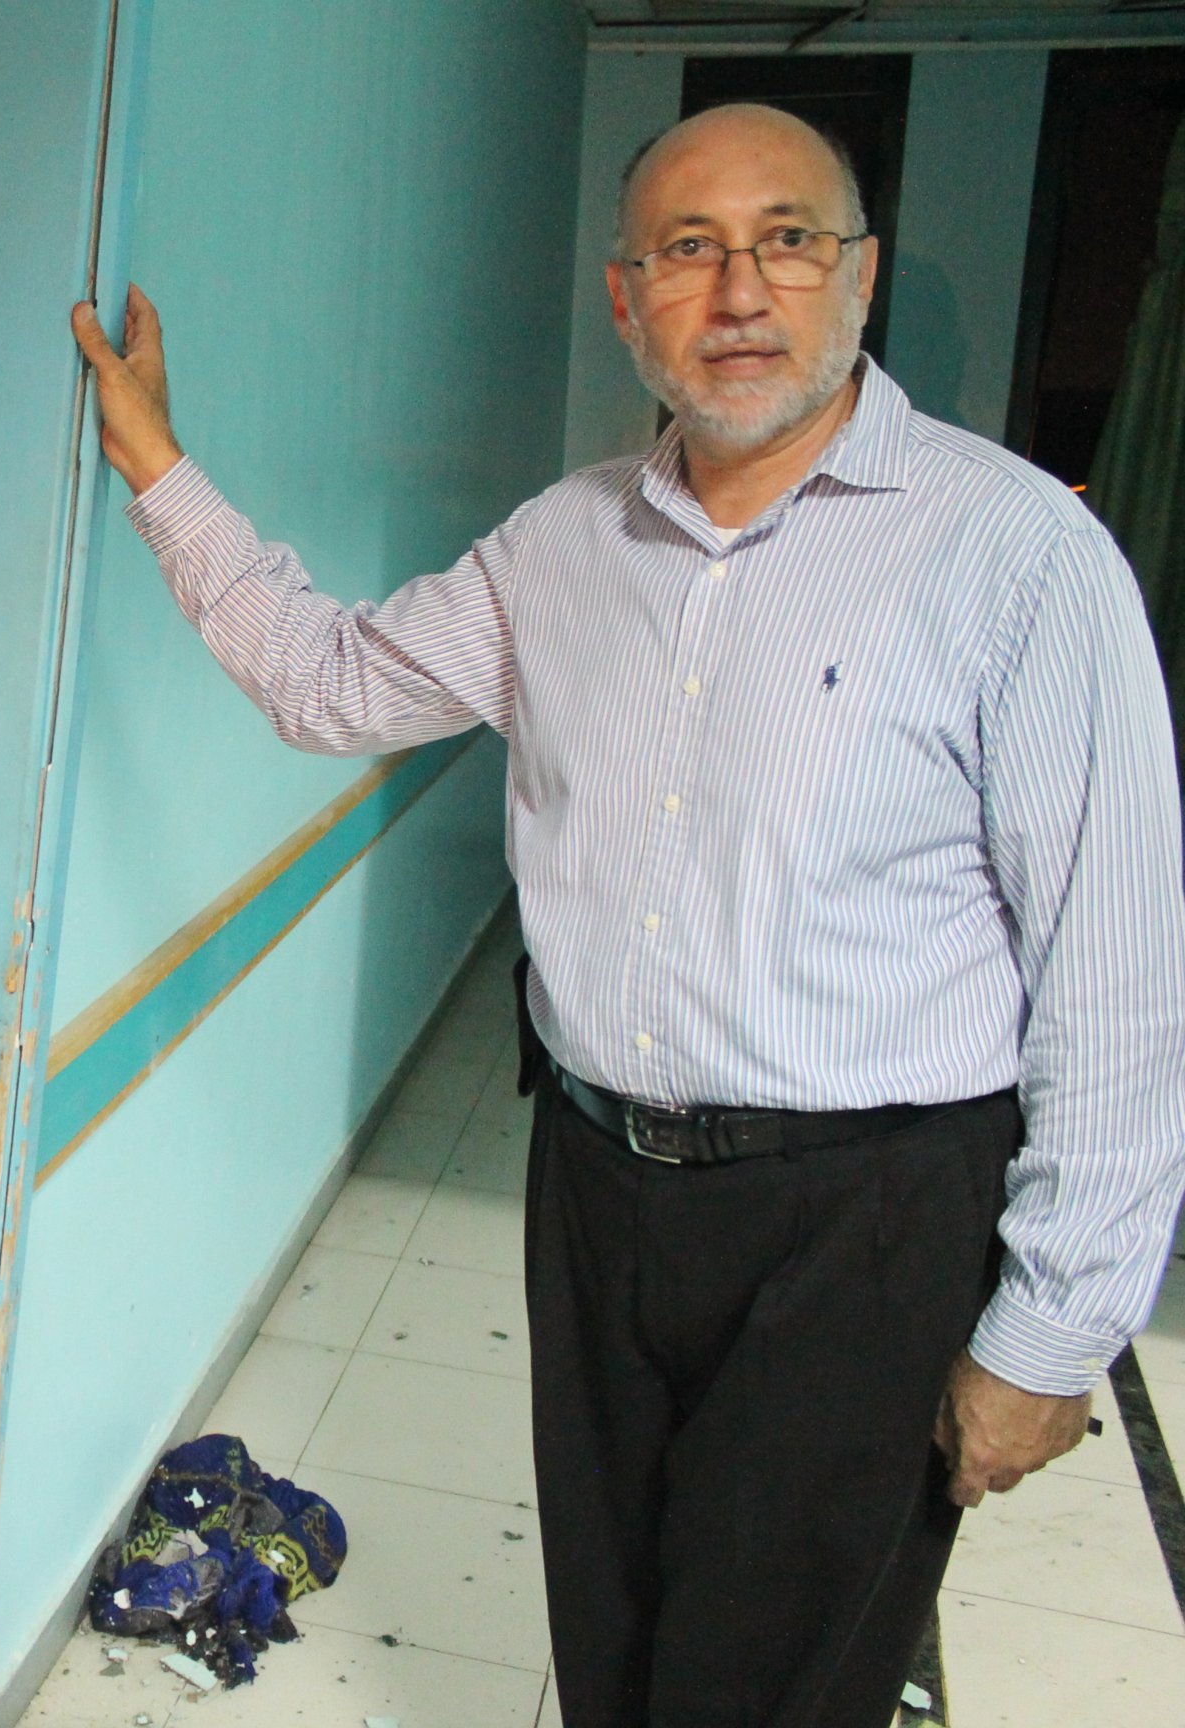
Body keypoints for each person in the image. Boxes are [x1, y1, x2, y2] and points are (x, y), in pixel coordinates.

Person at [71, 102, 1185, 1728]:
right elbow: (330, 684)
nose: (739, 291)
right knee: (616, 1629)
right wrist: (161, 470)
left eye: (786, 239)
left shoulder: (1017, 553)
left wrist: (1053, 1329)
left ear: (858, 276)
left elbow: (1117, 967)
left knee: (771, 1678)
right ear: (626, 299)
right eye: (688, 249)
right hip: (598, 1184)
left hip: (865, 1221)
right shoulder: (560, 545)